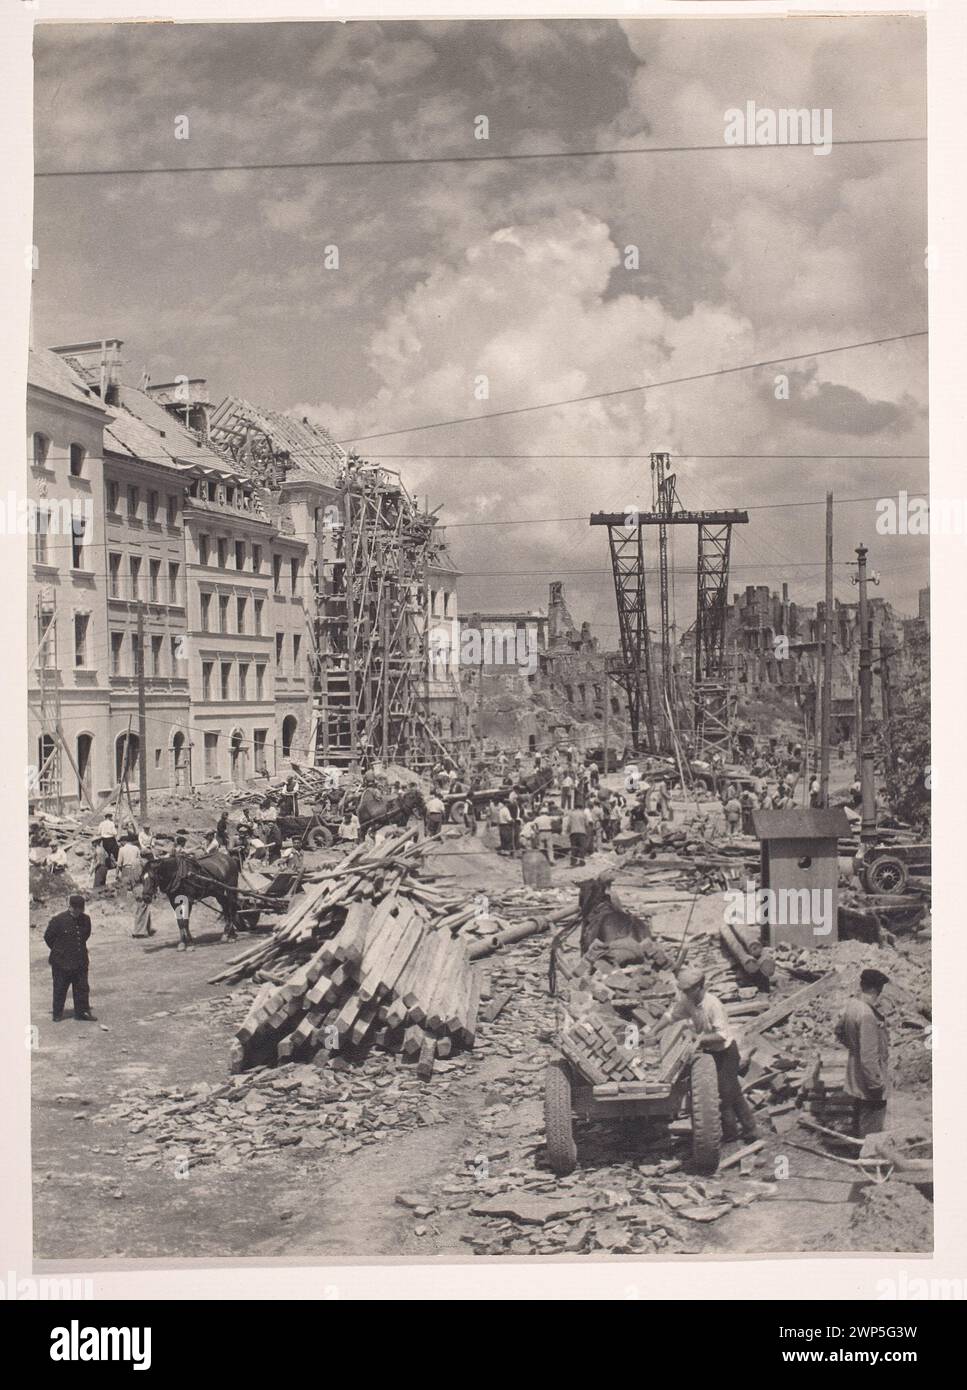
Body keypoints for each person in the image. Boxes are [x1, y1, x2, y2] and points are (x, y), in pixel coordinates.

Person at [657, 965, 757, 1142]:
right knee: (729, 1091)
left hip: (726, 1052)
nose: (684, 994)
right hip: (709, 1053)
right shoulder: (688, 1000)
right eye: (683, 990)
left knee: (727, 1093)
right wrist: (652, 1031)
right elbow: (670, 1016)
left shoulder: (713, 1004)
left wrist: (697, 1039)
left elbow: (721, 1035)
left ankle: (740, 1133)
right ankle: (739, 1131)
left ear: (698, 987)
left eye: (687, 990)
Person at [835, 968, 891, 1138]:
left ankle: (857, 1149)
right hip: (869, 1076)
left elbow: (838, 1031)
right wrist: (876, 1084)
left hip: (856, 1070)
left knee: (860, 1114)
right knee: (872, 1123)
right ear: (876, 989)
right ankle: (868, 1158)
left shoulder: (853, 1005)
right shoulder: (867, 1015)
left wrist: (854, 1047)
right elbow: (868, 1055)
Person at [44, 893, 96, 1021]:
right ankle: (57, 1013)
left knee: (82, 987)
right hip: (62, 961)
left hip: (80, 960)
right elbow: (48, 937)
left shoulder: (86, 919)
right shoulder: (58, 920)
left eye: (81, 909)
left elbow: (85, 936)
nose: (79, 912)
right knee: (60, 987)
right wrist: (59, 950)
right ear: (70, 907)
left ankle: (82, 1012)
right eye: (76, 909)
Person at [131, 865, 156, 939]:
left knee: (143, 909)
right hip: (141, 887)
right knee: (143, 909)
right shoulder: (142, 865)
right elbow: (143, 877)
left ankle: (147, 929)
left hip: (135, 888)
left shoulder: (134, 864)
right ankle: (139, 932)